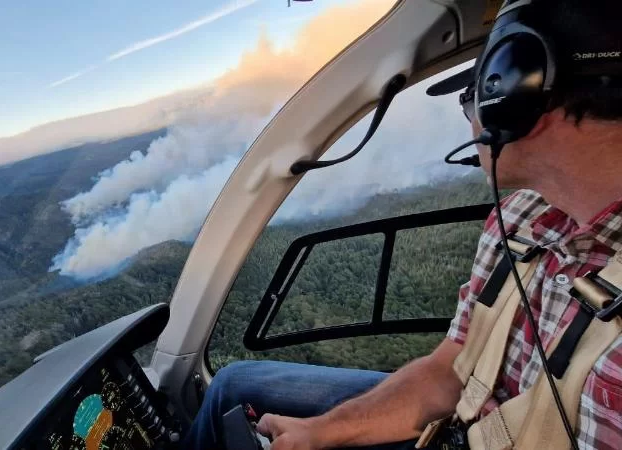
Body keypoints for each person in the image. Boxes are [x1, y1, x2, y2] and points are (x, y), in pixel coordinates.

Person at [181, 1, 622, 449]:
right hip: (460, 422)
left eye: (471, 98)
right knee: (231, 387)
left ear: (511, 93)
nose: (471, 121)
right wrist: (317, 434)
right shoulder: (517, 216)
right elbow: (450, 368)